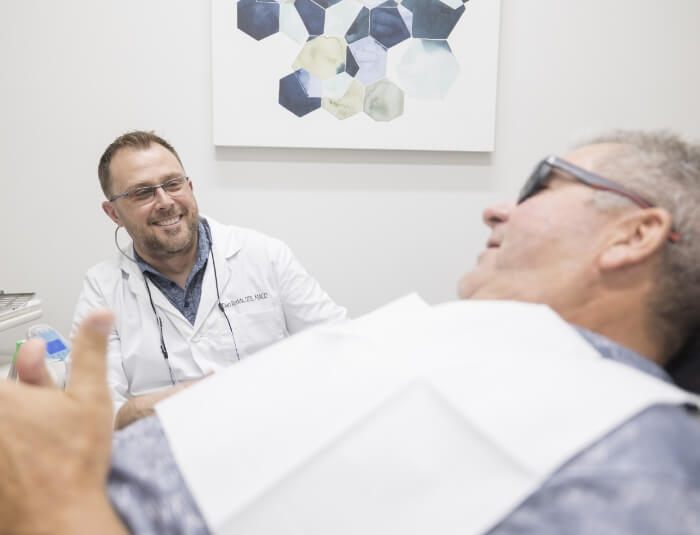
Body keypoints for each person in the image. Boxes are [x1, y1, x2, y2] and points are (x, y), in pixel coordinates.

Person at [2, 130, 700, 534]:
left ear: (635, 234)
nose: (496, 210)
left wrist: (63, 512)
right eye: (142, 193)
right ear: (113, 212)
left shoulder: (640, 454)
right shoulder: (474, 343)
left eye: (540, 185)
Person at [70, 131, 347, 429]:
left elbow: (341, 345)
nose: (165, 201)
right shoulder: (102, 289)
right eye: (142, 192)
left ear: (189, 187)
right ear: (114, 213)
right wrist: (169, 406)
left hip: (275, 435)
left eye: (173, 184)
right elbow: (92, 412)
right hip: (166, 452)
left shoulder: (264, 255)